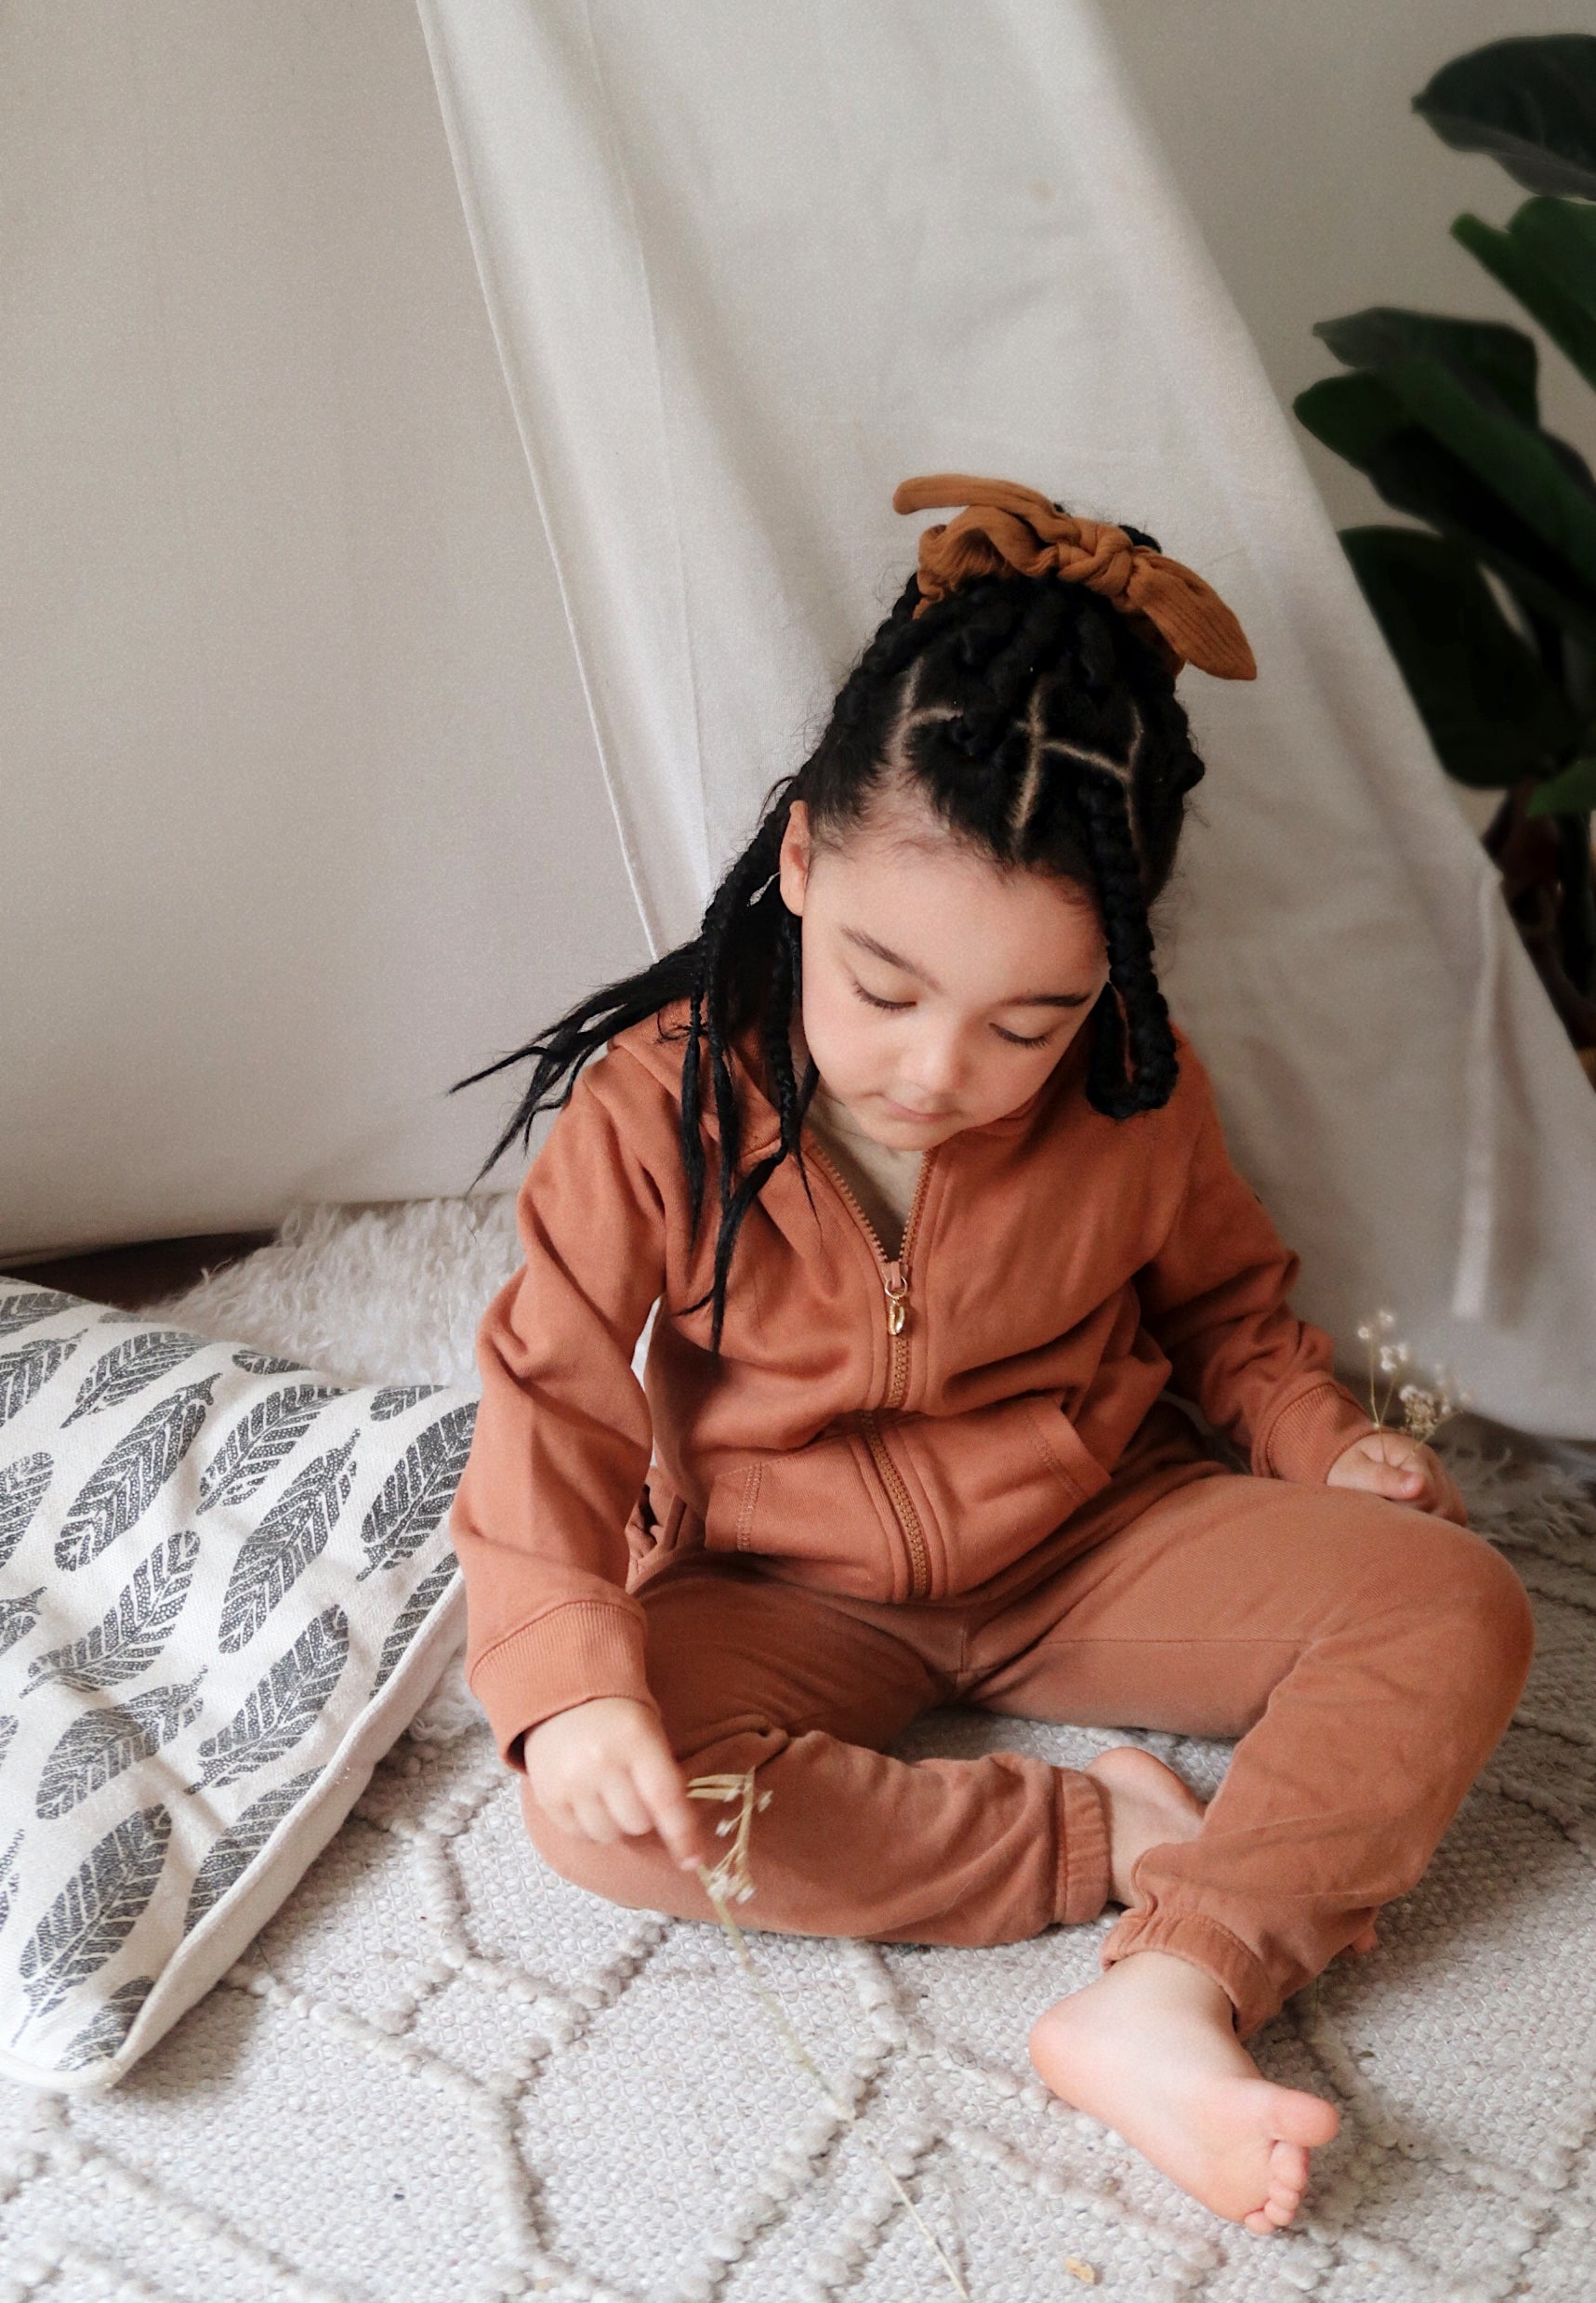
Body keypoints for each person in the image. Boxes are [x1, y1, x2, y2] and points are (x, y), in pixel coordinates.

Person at [448, 475, 1534, 2234]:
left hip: (1096, 1534)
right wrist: (566, 1680)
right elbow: (552, 1404)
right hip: (778, 1580)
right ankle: (1108, 1840)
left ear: (1110, 982)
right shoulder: (659, 1107)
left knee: (1455, 1603)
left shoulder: (1134, 1096)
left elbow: (1226, 1315)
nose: (937, 1072)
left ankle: (1173, 1987)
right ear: (799, 861)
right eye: (883, 990)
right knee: (600, 1815)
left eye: (1027, 1023)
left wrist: (1324, 1442)